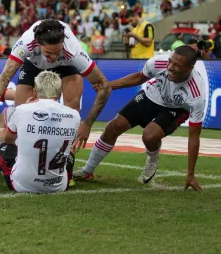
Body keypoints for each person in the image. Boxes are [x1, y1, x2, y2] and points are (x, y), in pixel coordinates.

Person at [73, 46, 205, 191]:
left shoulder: (196, 94)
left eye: (177, 65)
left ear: (189, 68)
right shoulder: (158, 63)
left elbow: (194, 137)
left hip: (176, 108)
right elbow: (140, 77)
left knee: (149, 136)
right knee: (113, 127)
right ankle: (87, 170)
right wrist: (110, 85)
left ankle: (153, 158)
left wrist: (190, 174)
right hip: (151, 96)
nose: (170, 67)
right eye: (170, 61)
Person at [0, 19, 110, 153]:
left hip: (66, 64)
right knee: (21, 111)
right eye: (48, 53)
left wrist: (87, 124)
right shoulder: (26, 44)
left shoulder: (73, 52)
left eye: (56, 52)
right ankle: (21, 155)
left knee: (72, 110)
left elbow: (105, 86)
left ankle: (66, 157)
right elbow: (6, 75)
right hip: (34, 64)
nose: (52, 57)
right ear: (38, 44)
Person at [0, 71, 80, 193]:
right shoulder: (74, 115)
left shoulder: (21, 110)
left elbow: (8, 140)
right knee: (70, 147)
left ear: (34, 92)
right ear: (60, 94)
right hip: (59, 186)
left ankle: (5, 171)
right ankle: (68, 178)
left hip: (21, 184)